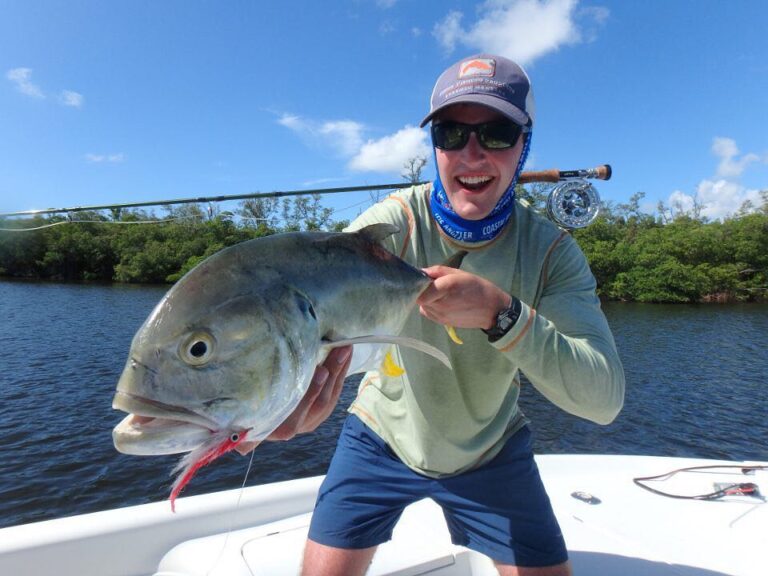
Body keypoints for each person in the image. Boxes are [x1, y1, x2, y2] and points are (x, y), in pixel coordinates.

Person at [248, 54, 625, 576]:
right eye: (451, 133)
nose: (471, 153)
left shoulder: (551, 253)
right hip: (380, 437)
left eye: (495, 133)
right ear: (435, 146)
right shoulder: (392, 225)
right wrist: (285, 395)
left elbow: (604, 401)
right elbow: (314, 304)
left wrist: (502, 314)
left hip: (493, 449)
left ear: (524, 145)